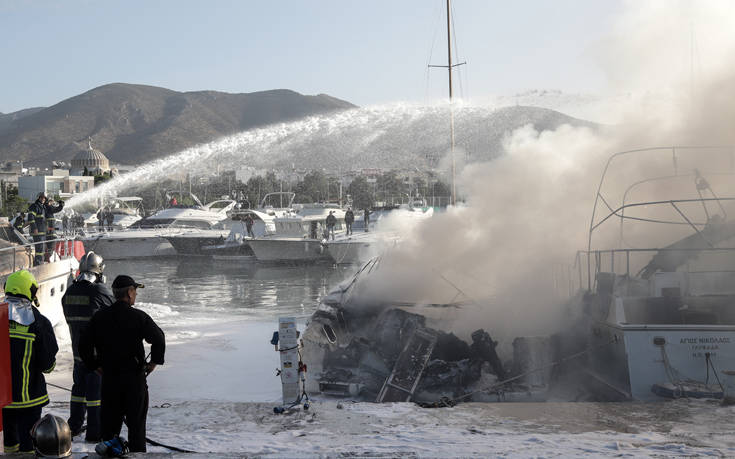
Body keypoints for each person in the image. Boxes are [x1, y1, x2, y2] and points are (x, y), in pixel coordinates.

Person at [79, 275, 165, 453]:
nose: (136, 295)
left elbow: (83, 344)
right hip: (134, 380)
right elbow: (158, 338)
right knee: (137, 428)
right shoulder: (138, 317)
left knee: (109, 429)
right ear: (130, 292)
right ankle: (137, 455)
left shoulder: (100, 317)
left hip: (110, 380)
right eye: (135, 291)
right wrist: (153, 363)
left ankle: (109, 452)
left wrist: (95, 366)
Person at [2, 270, 59, 454]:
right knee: (30, 445)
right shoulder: (39, 323)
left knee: (10, 442)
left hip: (3, 400)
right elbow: (48, 366)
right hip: (30, 400)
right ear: (31, 291)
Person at [62, 251, 114, 442]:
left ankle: (74, 426)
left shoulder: (69, 291)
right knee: (95, 396)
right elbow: (116, 311)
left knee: (78, 391)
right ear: (98, 271)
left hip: (78, 354)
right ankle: (94, 432)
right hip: (96, 357)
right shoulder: (100, 291)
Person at [27, 193, 48, 266]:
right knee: (39, 250)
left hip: (42, 232)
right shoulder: (35, 206)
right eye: (42, 198)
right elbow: (31, 218)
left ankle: (40, 262)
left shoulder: (43, 207)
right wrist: (34, 228)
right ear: (39, 198)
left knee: (41, 250)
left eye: (44, 198)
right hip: (38, 232)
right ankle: (38, 264)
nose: (43, 199)